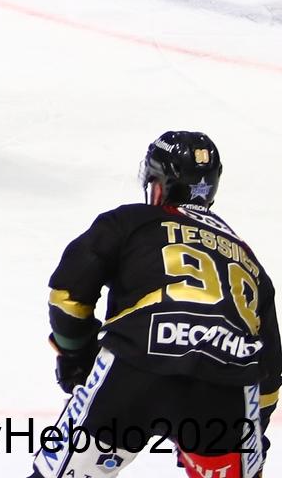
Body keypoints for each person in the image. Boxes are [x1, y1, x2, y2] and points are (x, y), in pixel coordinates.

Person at [32, 131, 277, 477]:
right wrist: (246, 443)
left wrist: (77, 358)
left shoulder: (130, 221)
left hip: (137, 363)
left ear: (158, 186)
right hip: (226, 386)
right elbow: (269, 377)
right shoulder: (250, 262)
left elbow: (68, 297)